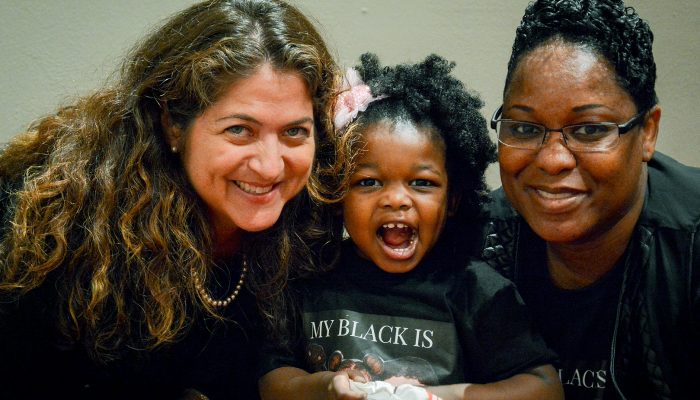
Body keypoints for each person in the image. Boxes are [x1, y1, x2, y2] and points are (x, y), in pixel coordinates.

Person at [0, 0, 338, 398]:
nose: (269, 167)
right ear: (174, 124)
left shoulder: (315, 223)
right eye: (239, 130)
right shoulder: (57, 224)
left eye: (294, 132)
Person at [259, 53, 563, 400]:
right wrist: (326, 387)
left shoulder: (476, 290)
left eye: (422, 183)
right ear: (336, 193)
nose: (396, 199)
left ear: (453, 201)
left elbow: (545, 388)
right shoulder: (309, 279)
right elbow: (273, 379)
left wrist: (441, 397)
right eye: (368, 183)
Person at [481, 0, 700, 399]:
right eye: (525, 128)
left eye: (588, 130)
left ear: (647, 133)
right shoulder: (474, 239)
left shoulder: (692, 245)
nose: (552, 160)